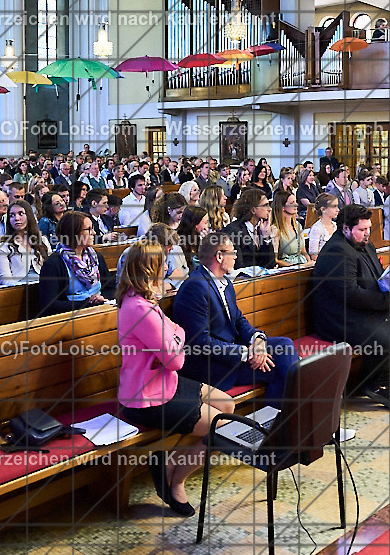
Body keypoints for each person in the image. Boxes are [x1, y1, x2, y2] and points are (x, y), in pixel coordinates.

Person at [116, 239, 235, 517]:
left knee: (227, 405)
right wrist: (173, 343)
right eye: (162, 265)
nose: (167, 269)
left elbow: (178, 331)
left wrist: (173, 340)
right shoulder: (139, 309)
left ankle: (168, 464)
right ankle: (175, 480)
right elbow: (177, 360)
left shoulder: (143, 299)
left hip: (164, 382)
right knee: (221, 428)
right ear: (149, 269)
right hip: (146, 397)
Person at [311, 204, 390, 411]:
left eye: (369, 229)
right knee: (382, 339)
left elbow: (378, 277)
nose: (367, 234)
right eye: (362, 230)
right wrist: (388, 298)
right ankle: (372, 383)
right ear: (345, 228)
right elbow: (349, 294)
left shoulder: (365, 244)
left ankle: (384, 383)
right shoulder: (337, 251)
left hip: (367, 307)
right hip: (339, 315)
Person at [174, 231, 297, 408]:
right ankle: (290, 421)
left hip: (232, 355)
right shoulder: (195, 288)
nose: (236, 256)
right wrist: (247, 353)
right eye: (232, 252)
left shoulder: (224, 282)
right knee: (279, 369)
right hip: (213, 367)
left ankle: (286, 421)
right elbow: (201, 343)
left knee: (284, 345)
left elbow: (239, 320)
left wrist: (258, 341)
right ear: (219, 256)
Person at [38, 210, 109, 315]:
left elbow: (110, 288)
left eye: (93, 229)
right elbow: (49, 305)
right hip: (71, 317)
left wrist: (102, 299)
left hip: (101, 311)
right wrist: (88, 304)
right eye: (88, 229)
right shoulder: (54, 264)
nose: (94, 233)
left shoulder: (96, 257)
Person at [0, 200, 51, 285]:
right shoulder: (2, 247)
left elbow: (52, 270)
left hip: (44, 287)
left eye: (20, 214)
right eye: (12, 215)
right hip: (17, 291)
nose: (16, 218)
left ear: (29, 216)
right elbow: (5, 281)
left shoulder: (42, 241)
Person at [223, 188, 276, 270]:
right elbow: (238, 266)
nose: (269, 209)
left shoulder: (260, 229)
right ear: (253, 209)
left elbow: (271, 264)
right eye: (265, 205)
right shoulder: (233, 231)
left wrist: (266, 236)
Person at [270, 189, 308, 265]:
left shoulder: (297, 225)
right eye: (292, 203)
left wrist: (310, 262)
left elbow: (304, 251)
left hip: (303, 264)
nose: (296, 205)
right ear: (282, 207)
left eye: (295, 201)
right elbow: (275, 260)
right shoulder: (275, 229)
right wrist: (293, 267)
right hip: (289, 267)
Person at [307, 192, 339, 260]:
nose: (337, 210)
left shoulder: (336, 226)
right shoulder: (317, 229)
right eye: (334, 207)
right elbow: (314, 256)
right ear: (323, 209)